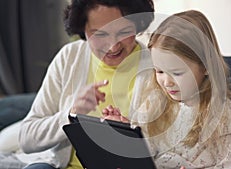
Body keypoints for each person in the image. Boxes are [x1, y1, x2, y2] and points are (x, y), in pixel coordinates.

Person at [103, 10, 231, 168]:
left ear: (206, 66)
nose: (167, 82)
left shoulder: (222, 114)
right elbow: (144, 150)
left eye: (177, 73)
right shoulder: (155, 102)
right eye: (160, 71)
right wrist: (126, 131)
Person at [18, 0, 155, 169]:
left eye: (124, 32)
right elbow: (27, 138)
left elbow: (173, 145)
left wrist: (130, 138)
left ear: (138, 24)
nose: (113, 47)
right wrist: (71, 115)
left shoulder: (157, 67)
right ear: (82, 30)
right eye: (100, 34)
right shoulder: (69, 57)